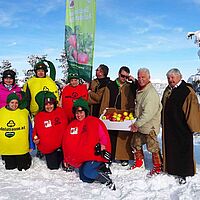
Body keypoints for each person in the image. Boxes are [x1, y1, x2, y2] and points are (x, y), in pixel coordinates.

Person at [62, 98, 116, 190]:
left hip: (95, 154)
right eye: (77, 113)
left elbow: (104, 136)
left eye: (81, 112)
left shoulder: (94, 121)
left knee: (88, 172)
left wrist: (103, 145)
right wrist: (67, 158)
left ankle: (106, 179)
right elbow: (67, 142)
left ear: (86, 111)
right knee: (84, 178)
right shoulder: (72, 125)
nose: (79, 115)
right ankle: (99, 169)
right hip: (83, 157)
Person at [161, 68, 200, 184]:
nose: (170, 80)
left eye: (173, 77)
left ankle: (183, 173)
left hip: (182, 127)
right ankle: (171, 169)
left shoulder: (187, 91)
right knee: (171, 149)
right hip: (170, 127)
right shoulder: (168, 90)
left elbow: (192, 110)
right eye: (168, 78)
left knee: (183, 150)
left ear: (180, 77)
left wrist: (194, 127)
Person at [100, 66, 137, 166]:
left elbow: (139, 87)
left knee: (123, 136)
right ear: (118, 74)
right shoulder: (110, 85)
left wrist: (133, 80)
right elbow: (105, 100)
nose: (123, 78)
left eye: (126, 77)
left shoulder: (130, 86)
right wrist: (103, 113)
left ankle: (123, 157)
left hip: (125, 114)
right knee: (111, 135)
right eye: (122, 76)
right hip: (112, 114)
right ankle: (109, 156)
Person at [130, 68, 162, 176]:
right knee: (135, 142)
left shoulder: (150, 93)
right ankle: (139, 163)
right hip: (142, 124)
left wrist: (136, 124)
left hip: (149, 125)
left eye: (143, 77)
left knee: (152, 147)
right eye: (139, 77)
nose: (140, 79)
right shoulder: (142, 89)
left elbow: (148, 113)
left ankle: (158, 167)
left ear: (149, 77)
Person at [33, 91, 68, 170]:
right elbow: (35, 130)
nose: (49, 106)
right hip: (50, 147)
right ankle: (55, 154)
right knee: (53, 167)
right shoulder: (39, 116)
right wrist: (35, 138)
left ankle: (62, 155)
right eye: (46, 104)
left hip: (63, 144)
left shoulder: (60, 111)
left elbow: (66, 125)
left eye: (51, 104)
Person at [0, 93, 35, 170]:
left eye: (16, 102)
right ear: (8, 102)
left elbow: (29, 129)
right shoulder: (1, 112)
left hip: (21, 148)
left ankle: (27, 158)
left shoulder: (24, 112)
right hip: (7, 148)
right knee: (10, 168)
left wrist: (31, 145)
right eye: (12, 102)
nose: (14, 105)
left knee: (23, 168)